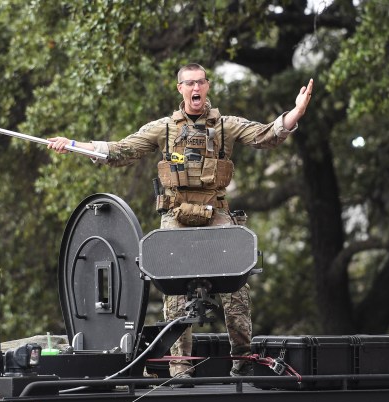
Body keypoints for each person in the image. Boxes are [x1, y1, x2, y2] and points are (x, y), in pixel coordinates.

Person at [48, 63, 314, 379]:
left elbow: (266, 134)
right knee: (173, 285)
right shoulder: (164, 128)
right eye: (189, 83)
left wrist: (294, 114)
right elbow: (121, 150)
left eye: (200, 82)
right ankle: (179, 365)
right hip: (176, 216)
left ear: (208, 86)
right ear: (180, 89)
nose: (195, 88)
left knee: (236, 287)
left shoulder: (226, 126)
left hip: (216, 214)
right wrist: (75, 145)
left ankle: (243, 359)